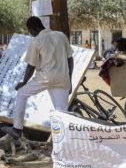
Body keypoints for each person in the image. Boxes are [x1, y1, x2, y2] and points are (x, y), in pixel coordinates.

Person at [2, 17, 74, 149]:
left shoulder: (37, 40)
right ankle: (64, 143)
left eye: (30, 31)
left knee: (22, 93)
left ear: (33, 29)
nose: (31, 33)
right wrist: (69, 79)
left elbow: (31, 66)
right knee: (61, 112)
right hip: (63, 78)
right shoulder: (61, 35)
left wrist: (23, 82)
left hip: (45, 78)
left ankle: (17, 129)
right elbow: (70, 59)